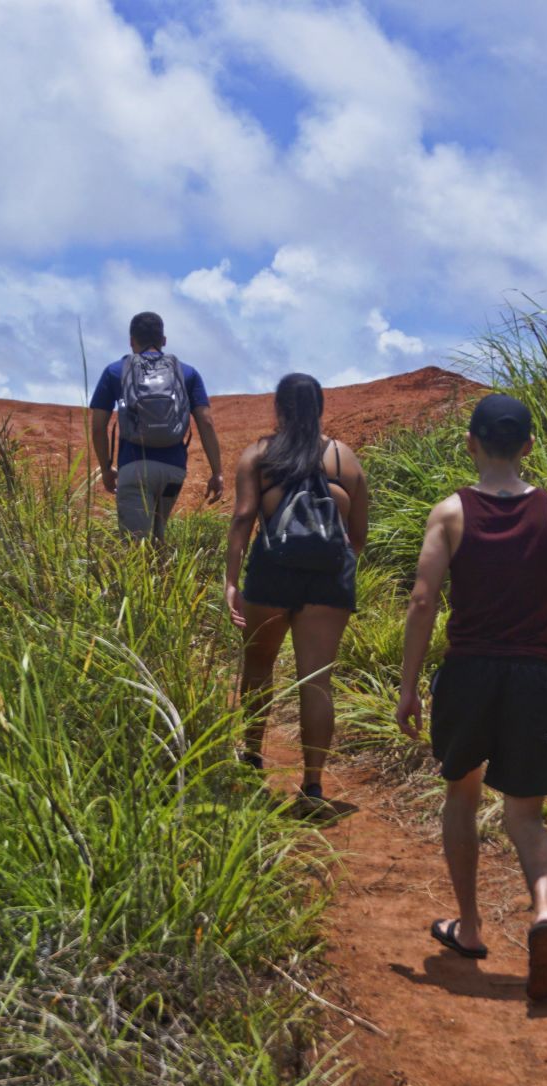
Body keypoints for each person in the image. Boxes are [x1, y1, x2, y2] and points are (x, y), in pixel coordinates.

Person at [395, 393, 547, 1000]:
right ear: (529, 445)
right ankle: (544, 913)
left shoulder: (450, 514)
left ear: (470, 444)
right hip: (532, 677)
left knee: (462, 794)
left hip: (468, 675)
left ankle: (471, 926)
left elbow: (422, 601)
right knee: (525, 815)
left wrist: (408, 687)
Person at [226, 373, 369, 814]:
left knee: (258, 665)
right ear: (320, 407)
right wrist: (332, 564)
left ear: (279, 408)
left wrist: (231, 580)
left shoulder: (260, 455)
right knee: (317, 681)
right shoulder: (345, 459)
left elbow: (243, 518)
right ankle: (313, 786)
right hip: (328, 579)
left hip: (271, 573)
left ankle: (252, 758)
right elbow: (358, 536)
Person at [89, 312, 223, 541]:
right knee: (157, 538)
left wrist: (107, 468)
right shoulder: (187, 373)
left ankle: (147, 563)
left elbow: (98, 427)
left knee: (135, 548)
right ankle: (163, 563)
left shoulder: (115, 371)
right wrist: (217, 472)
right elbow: (206, 422)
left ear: (132, 341)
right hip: (173, 473)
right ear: (164, 340)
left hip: (134, 470)